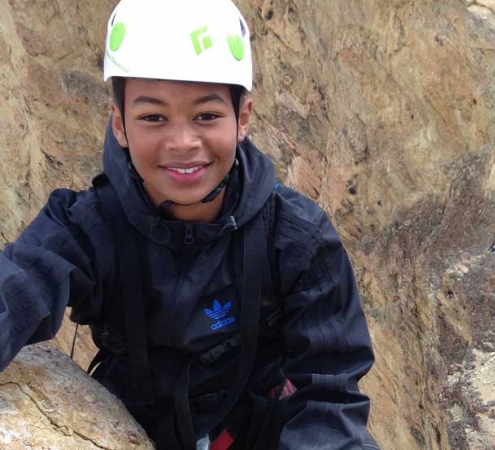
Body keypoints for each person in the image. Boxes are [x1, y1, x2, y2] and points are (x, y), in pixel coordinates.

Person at [0, 0, 378, 449]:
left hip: (261, 431)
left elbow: (328, 394)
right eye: (153, 117)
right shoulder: (88, 226)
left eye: (206, 115)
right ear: (119, 125)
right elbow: (17, 288)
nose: (182, 142)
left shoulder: (297, 239)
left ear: (243, 119)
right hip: (134, 426)